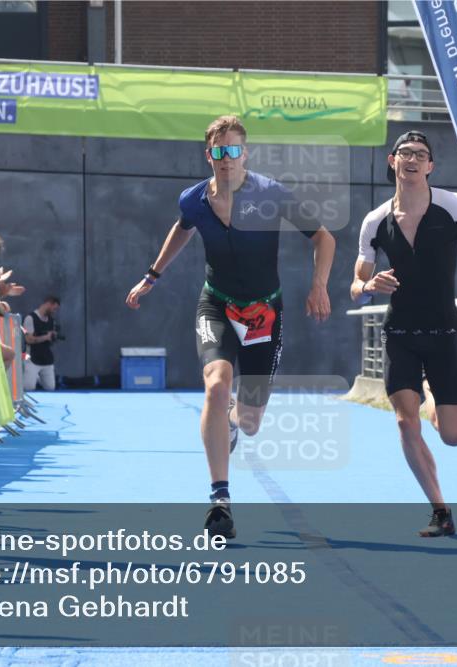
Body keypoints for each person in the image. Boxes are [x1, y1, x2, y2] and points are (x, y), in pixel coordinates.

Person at [125, 115, 335, 538]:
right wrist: (152, 275)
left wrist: (318, 285)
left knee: (251, 421)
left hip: (264, 314)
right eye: (219, 152)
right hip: (217, 305)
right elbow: (182, 230)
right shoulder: (195, 199)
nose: (227, 159)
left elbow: (323, 238)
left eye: (234, 151)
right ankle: (220, 499)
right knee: (216, 384)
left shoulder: (271, 194)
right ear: (209, 156)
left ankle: (236, 423)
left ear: (245, 153)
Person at [350, 131, 457, 537]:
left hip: (442, 333)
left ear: (430, 166)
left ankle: (431, 390)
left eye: (421, 155)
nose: (412, 160)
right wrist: (368, 287)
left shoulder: (453, 206)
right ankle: (440, 510)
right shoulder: (375, 221)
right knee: (406, 423)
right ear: (393, 161)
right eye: (405, 153)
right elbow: (356, 282)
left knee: (453, 436)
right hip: (400, 332)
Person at [23, 295, 61, 391]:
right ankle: (34, 377)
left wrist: (53, 337)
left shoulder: (52, 321)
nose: (54, 311)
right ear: (48, 304)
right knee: (29, 387)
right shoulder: (30, 318)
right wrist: (46, 337)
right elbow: (29, 340)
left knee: (50, 387)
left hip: (46, 359)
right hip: (32, 358)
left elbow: (50, 341)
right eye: (54, 308)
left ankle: (37, 378)